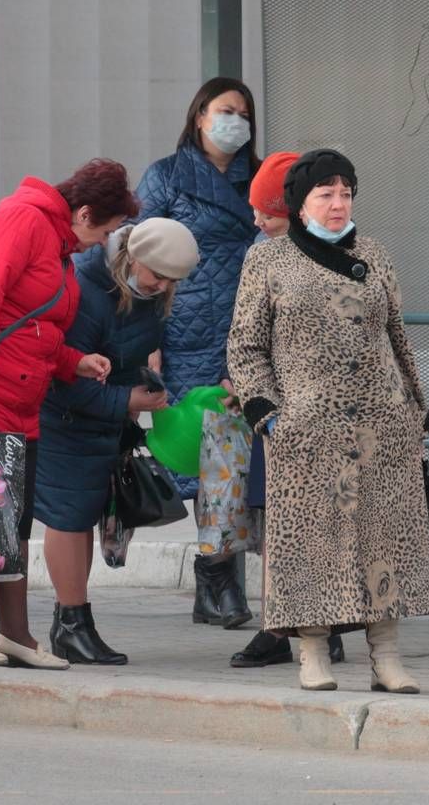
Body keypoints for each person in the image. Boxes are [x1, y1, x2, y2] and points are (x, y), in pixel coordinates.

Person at [228, 149, 429, 693]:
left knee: (381, 536)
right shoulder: (267, 261)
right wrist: (266, 412)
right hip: (305, 426)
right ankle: (312, 652)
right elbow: (246, 346)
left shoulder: (375, 254)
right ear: (300, 204)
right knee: (310, 541)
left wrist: (416, 406)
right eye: (326, 194)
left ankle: (386, 655)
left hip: (380, 423)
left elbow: (398, 337)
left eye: (346, 193)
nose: (338, 203)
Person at [0, 159, 132, 669]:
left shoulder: (58, 242)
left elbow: (37, 328)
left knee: (13, 522)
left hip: (21, 398)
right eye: (106, 231)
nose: (103, 243)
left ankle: (16, 636)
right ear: (85, 212)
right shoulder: (22, 220)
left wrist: (75, 362)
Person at [35, 218, 200, 665]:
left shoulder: (146, 292)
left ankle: (75, 624)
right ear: (133, 257)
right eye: (157, 274)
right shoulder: (88, 290)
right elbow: (65, 376)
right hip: (67, 420)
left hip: (104, 419)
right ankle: (71, 625)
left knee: (84, 514)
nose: (163, 285)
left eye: (172, 280)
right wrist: (126, 398)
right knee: (68, 518)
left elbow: (132, 348)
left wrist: (144, 386)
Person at [136, 77, 262, 629]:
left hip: (248, 330)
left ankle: (218, 581)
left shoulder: (260, 181)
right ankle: (218, 581)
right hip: (184, 332)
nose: (233, 120)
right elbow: (142, 259)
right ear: (200, 116)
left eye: (242, 112)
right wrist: (147, 342)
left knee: (237, 459)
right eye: (224, 110)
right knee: (208, 456)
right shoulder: (166, 176)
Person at [229, 150, 342, 670]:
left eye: (266, 212)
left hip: (321, 411)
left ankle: (321, 625)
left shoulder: (335, 255)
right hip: (278, 412)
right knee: (279, 519)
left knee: (320, 520)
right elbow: (248, 335)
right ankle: (282, 624)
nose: (257, 220)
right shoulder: (265, 253)